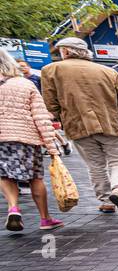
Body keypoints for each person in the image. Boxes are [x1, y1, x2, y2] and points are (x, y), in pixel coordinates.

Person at [41, 36, 118, 217]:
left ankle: (107, 201)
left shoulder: (51, 70)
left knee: (95, 165)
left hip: (78, 126)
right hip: (112, 123)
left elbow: (51, 104)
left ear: (66, 51)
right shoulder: (107, 71)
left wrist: (62, 118)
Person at [0, 51, 63, 231]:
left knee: (5, 175)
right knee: (35, 177)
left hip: (1, 138)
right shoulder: (24, 84)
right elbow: (40, 117)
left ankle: (13, 207)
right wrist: (52, 146)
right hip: (26, 138)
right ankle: (45, 218)